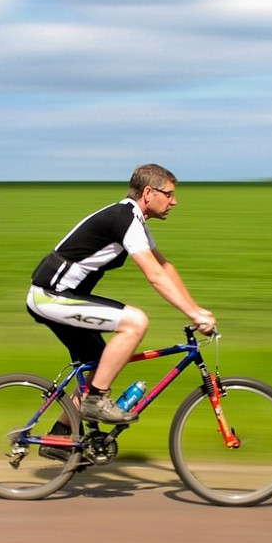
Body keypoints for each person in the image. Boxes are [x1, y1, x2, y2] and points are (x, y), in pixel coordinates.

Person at [26, 163, 217, 432]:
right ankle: (95, 401)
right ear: (149, 193)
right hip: (50, 297)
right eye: (170, 194)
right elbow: (154, 275)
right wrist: (194, 315)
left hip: (62, 297)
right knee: (135, 322)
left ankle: (60, 437)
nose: (174, 201)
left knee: (101, 366)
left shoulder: (133, 220)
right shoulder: (124, 219)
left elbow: (165, 268)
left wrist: (197, 308)